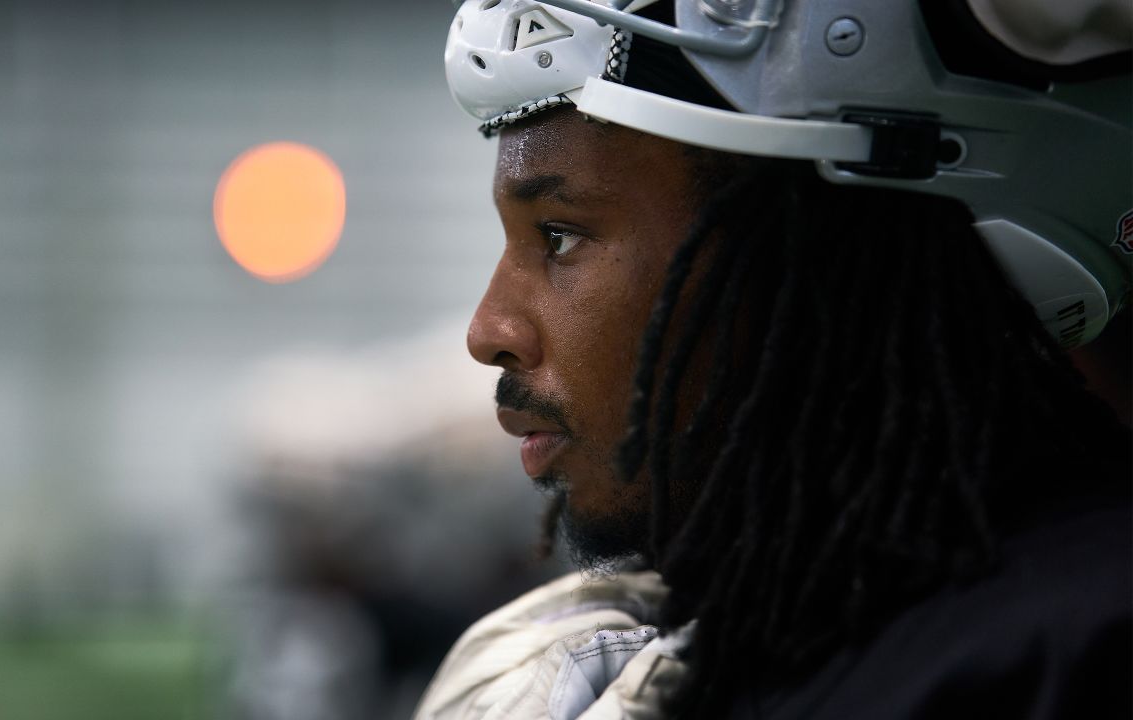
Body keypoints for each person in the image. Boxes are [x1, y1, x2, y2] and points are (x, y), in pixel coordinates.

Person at [414, 0, 1132, 718]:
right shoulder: (769, 633)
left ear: (828, 256)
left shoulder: (1080, 649)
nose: (488, 331)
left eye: (560, 236)